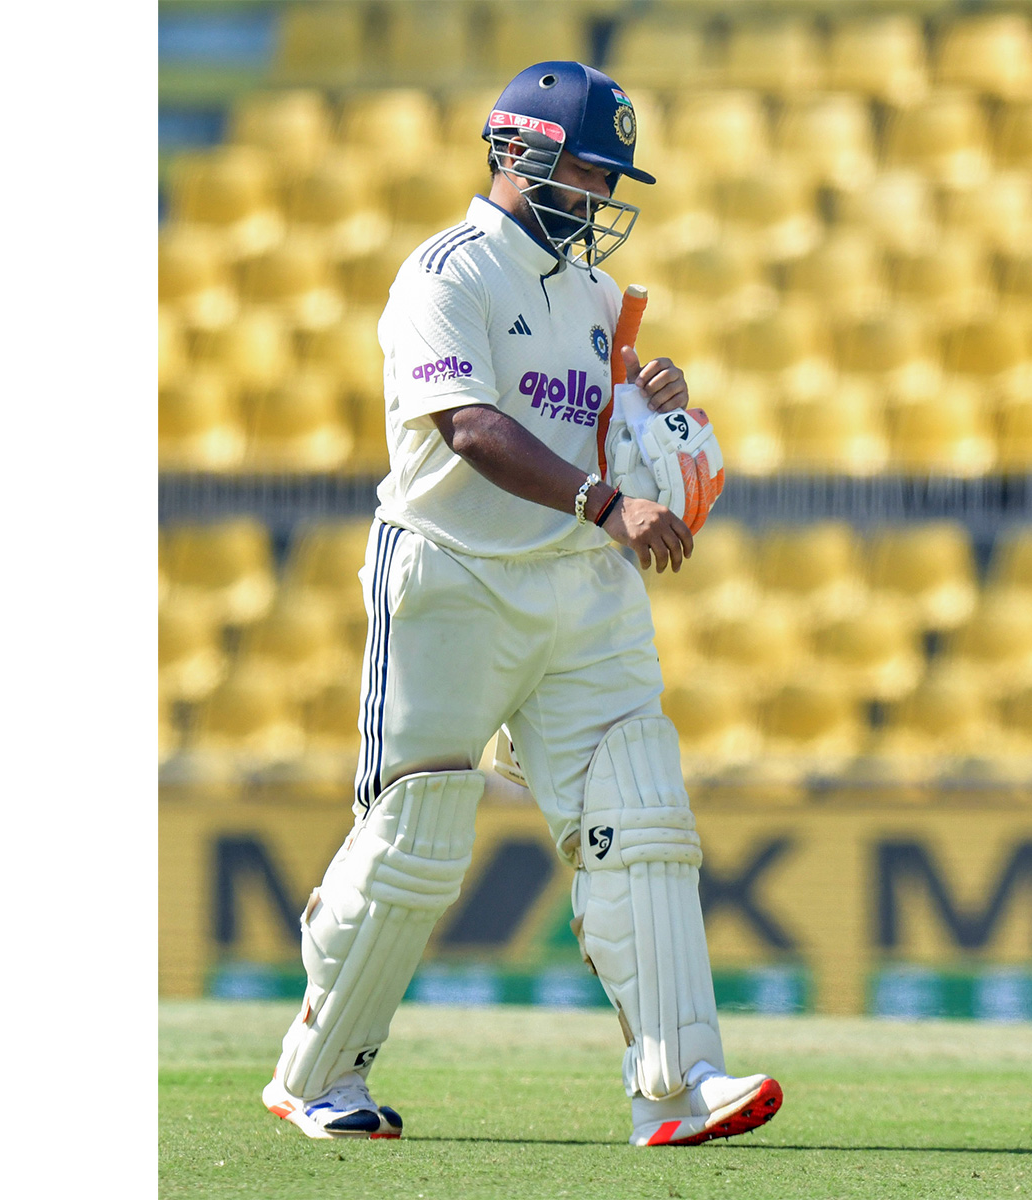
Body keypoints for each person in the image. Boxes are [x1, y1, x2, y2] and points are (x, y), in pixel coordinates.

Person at [261, 60, 782, 1148]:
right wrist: (604, 504)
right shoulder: (444, 273)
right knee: (417, 829)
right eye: (590, 167)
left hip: (577, 584)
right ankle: (323, 1078)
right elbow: (472, 428)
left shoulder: (599, 301)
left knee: (640, 811)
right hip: (451, 577)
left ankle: (681, 1085)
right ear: (520, 153)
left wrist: (653, 409)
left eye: (610, 174)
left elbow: (605, 439)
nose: (602, 193)